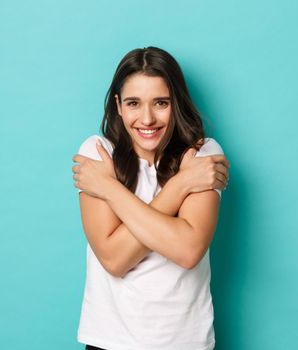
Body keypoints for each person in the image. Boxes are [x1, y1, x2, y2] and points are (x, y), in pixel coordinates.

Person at [71, 46, 230, 350]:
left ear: (177, 104)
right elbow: (114, 259)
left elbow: (187, 249)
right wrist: (181, 186)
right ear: (118, 106)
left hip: (185, 343)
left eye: (161, 103)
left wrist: (108, 188)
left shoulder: (203, 154)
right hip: (110, 342)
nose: (147, 119)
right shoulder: (98, 153)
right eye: (133, 103)